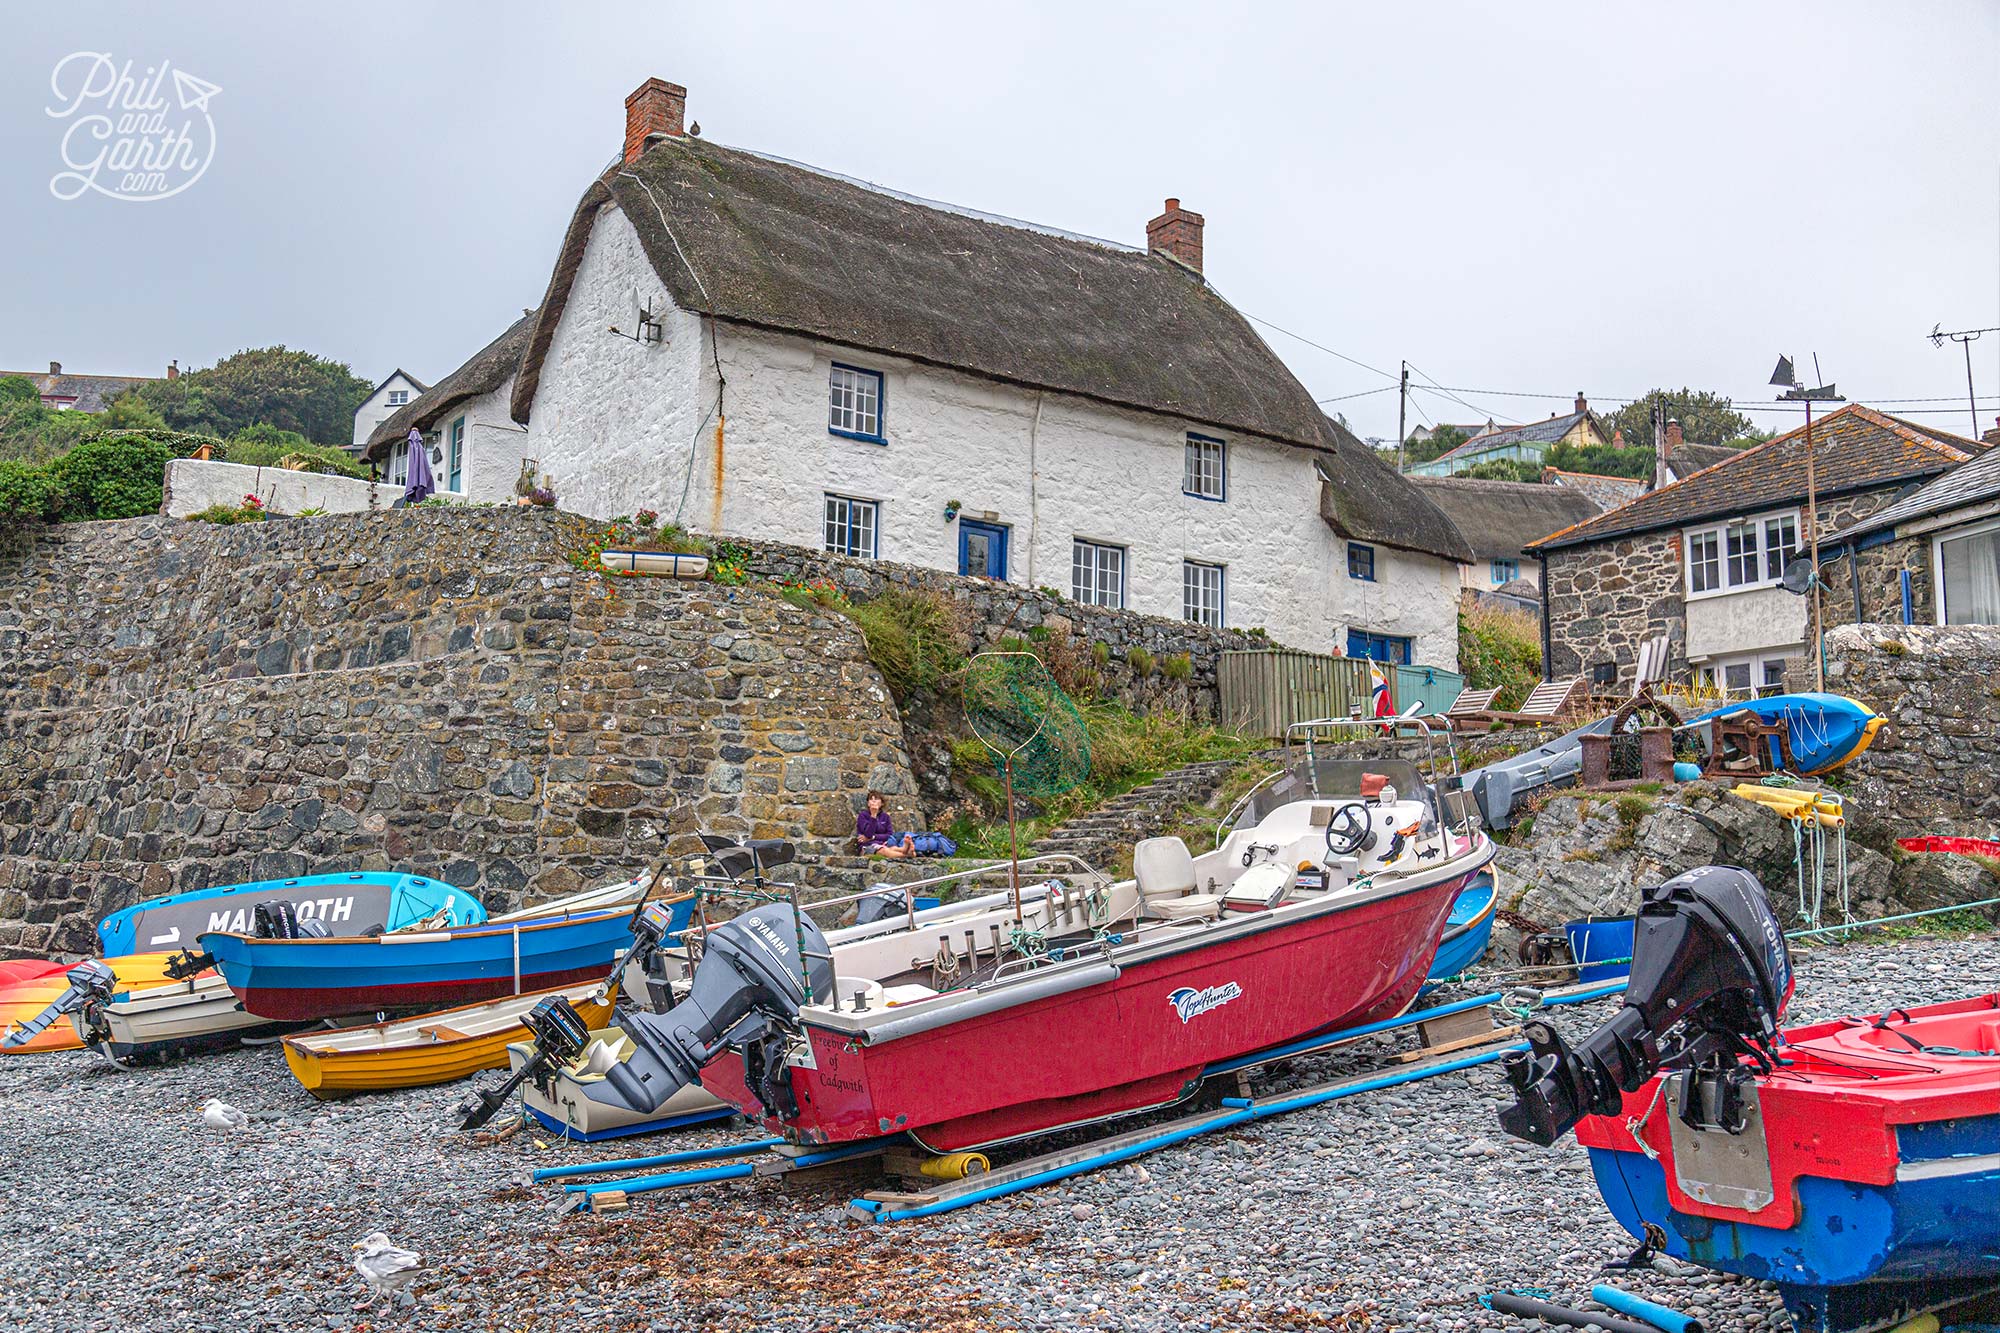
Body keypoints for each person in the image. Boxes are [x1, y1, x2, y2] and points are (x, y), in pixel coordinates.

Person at [856, 790, 916, 858]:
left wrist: (874, 837)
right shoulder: (863, 816)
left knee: (892, 848)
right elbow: (868, 834)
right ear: (868, 803)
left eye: (876, 799)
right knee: (883, 851)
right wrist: (873, 815)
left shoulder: (885, 817)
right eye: (871, 799)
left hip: (883, 844)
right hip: (867, 846)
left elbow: (889, 835)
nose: (873, 801)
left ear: (882, 803)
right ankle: (907, 854)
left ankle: (904, 849)